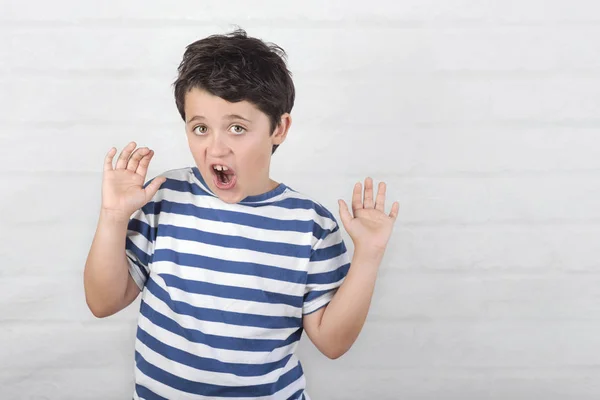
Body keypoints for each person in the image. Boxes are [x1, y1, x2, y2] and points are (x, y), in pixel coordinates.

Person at [83, 28, 399, 400]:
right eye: (200, 128)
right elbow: (103, 303)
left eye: (236, 128)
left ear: (278, 128)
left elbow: (332, 343)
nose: (216, 148)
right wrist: (113, 216)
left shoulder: (311, 226)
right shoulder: (162, 197)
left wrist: (369, 256)